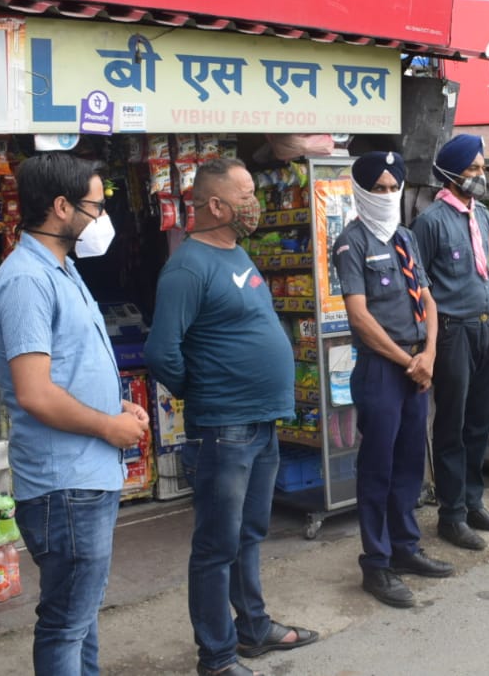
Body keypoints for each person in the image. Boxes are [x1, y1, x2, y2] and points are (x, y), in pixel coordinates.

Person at [144, 158, 316, 675]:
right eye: (245, 194)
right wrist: (208, 395)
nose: (254, 203)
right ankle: (216, 657)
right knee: (216, 545)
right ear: (216, 205)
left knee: (249, 533)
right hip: (226, 427)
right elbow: (160, 352)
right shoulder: (187, 267)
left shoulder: (236, 252)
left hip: (260, 423)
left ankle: (254, 629)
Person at [0, 153, 150, 676]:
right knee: (65, 624)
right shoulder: (26, 281)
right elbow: (35, 393)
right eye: (96, 207)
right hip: (65, 484)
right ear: (61, 207)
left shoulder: (63, 268)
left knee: (81, 619)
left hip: (84, 475)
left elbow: (67, 368)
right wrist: (108, 425)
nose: (102, 218)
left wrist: (114, 406)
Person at [332, 152, 453, 609]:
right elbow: (359, 317)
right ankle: (377, 563)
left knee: (408, 462)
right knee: (378, 467)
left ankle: (405, 547)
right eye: (378, 188)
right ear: (362, 191)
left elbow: (428, 298)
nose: (387, 195)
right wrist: (410, 360)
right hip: (385, 368)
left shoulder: (405, 237)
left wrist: (431, 355)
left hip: (417, 365)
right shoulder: (352, 242)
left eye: (392, 187)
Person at [410, 134, 489, 551]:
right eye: (473, 169)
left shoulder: (483, 214)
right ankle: (450, 514)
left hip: (487, 325)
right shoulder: (430, 220)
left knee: (480, 420)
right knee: (451, 424)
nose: (480, 176)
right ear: (452, 172)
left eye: (482, 168)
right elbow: (419, 283)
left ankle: (473, 502)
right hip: (453, 330)